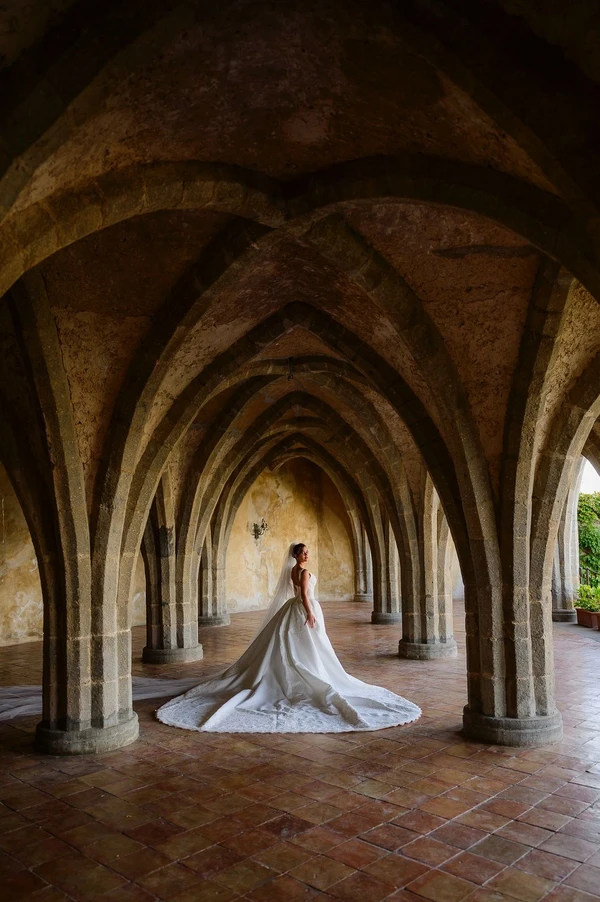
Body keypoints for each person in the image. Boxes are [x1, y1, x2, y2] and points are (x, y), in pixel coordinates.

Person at [156, 542, 421, 733]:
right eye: (303, 551)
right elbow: (305, 594)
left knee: (299, 645)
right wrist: (310, 613)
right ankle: (312, 675)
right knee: (308, 645)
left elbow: (297, 591)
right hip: (303, 609)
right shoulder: (304, 572)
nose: (307, 554)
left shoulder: (293, 571)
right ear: (296, 554)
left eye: (306, 551)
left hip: (291, 609)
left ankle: (304, 668)